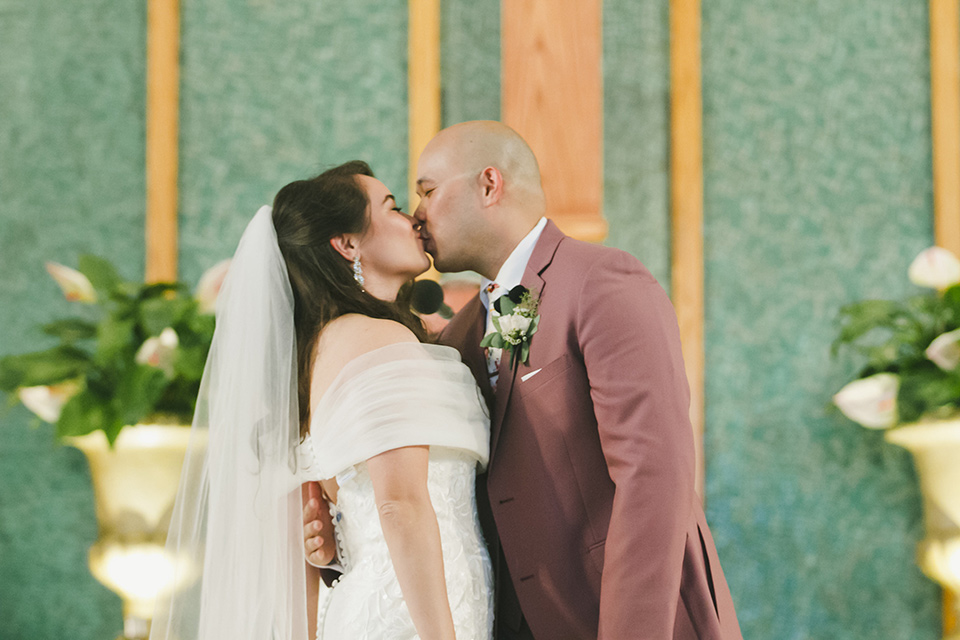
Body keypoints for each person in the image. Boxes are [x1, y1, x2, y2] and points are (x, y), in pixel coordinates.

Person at [305, 121, 744, 639]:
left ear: (489, 185)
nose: (417, 214)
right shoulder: (458, 338)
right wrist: (340, 541)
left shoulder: (601, 282)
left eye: (427, 191)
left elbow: (655, 478)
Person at [150, 161, 494, 640]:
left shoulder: (319, 353)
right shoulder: (377, 339)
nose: (412, 218)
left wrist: (330, 552)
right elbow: (400, 505)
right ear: (348, 243)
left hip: (384, 603)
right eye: (391, 207)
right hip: (414, 617)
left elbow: (343, 514)